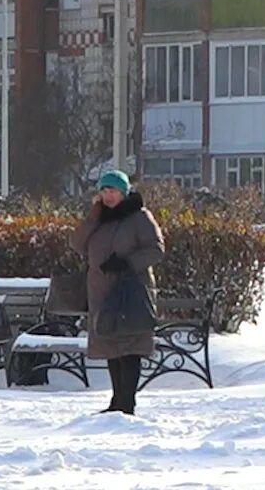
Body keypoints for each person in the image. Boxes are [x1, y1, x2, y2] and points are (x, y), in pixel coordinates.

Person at [70, 170, 165, 415]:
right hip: (102, 291)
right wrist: (92, 217)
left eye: (112, 190)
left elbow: (156, 249)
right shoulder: (99, 218)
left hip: (130, 291)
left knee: (130, 345)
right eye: (103, 190)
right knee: (111, 345)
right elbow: (77, 245)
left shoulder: (139, 216)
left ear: (123, 192)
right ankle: (116, 402)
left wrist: (127, 263)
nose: (107, 195)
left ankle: (127, 402)